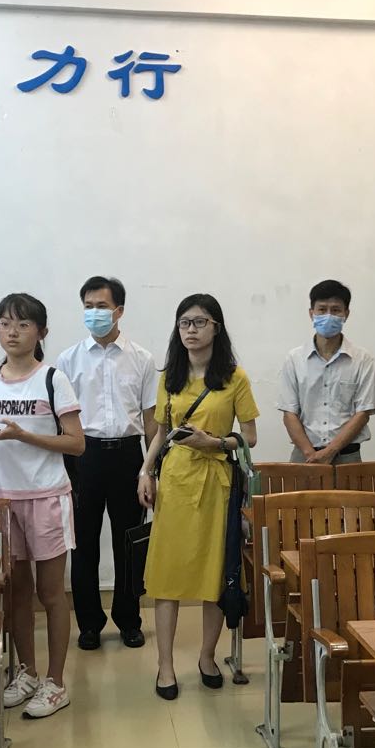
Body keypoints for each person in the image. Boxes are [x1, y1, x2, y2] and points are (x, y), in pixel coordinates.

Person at [0, 293, 85, 720]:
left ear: (41, 332)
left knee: (51, 593)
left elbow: (76, 444)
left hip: (46, 496)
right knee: (17, 593)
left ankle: (56, 682)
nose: (13, 332)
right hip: (2, 499)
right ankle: (26, 672)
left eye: (24, 324)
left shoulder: (53, 380)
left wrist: (23, 435)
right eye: (5, 323)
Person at [138, 294, 260, 699]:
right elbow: (160, 432)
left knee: (213, 575)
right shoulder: (169, 376)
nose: (190, 330)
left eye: (199, 322)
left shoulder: (235, 377)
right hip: (175, 482)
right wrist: (145, 472)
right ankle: (165, 666)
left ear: (216, 328)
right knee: (167, 575)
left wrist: (215, 443)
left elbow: (250, 437)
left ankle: (207, 657)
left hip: (216, 481)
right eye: (184, 323)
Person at [56, 275, 157, 652]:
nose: (94, 313)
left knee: (129, 542)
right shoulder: (68, 360)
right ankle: (89, 624)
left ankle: (129, 620)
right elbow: (61, 421)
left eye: (101, 306)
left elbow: (151, 421)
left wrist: (150, 471)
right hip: (84, 456)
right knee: (83, 544)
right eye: (88, 306)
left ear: (119, 311)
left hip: (129, 455)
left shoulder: (142, 359)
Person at [277, 279, 375, 464]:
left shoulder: (363, 360)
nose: (328, 315)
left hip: (347, 457)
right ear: (311, 313)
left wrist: (330, 452)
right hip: (304, 455)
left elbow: (363, 413)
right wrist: (310, 454)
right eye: (322, 309)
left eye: (335, 310)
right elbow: (289, 413)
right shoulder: (294, 359)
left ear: (346, 314)